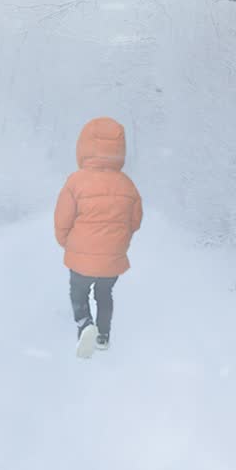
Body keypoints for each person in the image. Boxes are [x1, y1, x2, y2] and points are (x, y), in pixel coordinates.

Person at [53, 117, 143, 356]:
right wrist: (119, 240)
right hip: (113, 256)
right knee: (104, 293)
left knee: (78, 292)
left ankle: (85, 324)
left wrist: (67, 243)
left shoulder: (75, 182)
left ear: (84, 146)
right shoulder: (127, 185)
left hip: (81, 256)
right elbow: (135, 221)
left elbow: (62, 219)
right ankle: (103, 335)